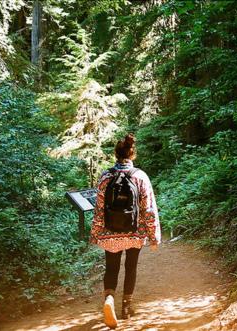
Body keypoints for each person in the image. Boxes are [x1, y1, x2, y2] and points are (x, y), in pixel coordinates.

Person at [90, 133, 161, 329]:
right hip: (134, 233)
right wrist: (154, 236)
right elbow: (148, 209)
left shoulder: (105, 177)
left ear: (116, 154)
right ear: (132, 154)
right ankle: (126, 308)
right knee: (131, 268)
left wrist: (95, 233)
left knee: (111, 268)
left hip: (110, 233)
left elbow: (99, 210)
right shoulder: (140, 177)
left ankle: (109, 299)